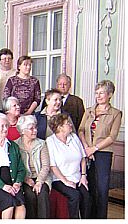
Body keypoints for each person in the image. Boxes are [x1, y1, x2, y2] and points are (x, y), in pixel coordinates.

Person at [78, 80, 122, 219]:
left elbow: (112, 136)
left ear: (110, 95)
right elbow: (81, 130)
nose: (98, 95)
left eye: (101, 93)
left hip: (103, 153)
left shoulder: (115, 113)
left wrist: (95, 148)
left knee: (102, 190)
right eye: (96, 93)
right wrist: (86, 147)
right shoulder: (89, 110)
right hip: (87, 152)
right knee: (89, 188)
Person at [47, 113, 90, 219]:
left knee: (86, 196)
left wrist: (83, 176)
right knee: (74, 196)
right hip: (59, 179)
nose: (71, 125)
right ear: (60, 127)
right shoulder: (51, 141)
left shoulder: (74, 137)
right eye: (68, 123)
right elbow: (53, 166)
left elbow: (83, 158)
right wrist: (66, 181)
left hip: (77, 177)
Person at [15, 115, 51, 219]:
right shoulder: (15, 145)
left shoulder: (41, 144)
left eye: (35, 127)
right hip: (25, 178)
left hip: (41, 177)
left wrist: (39, 181)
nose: (35, 130)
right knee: (29, 195)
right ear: (22, 131)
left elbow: (45, 166)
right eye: (31, 128)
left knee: (42, 193)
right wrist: (25, 179)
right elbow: (16, 166)